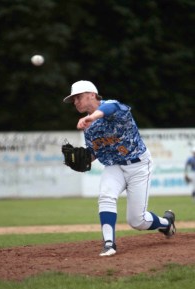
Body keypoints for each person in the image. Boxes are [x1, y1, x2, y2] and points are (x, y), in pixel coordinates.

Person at [63, 80, 176, 256]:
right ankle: (109, 244)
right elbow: (95, 152)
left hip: (138, 165)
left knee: (136, 221)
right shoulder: (88, 128)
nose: (75, 102)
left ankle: (166, 223)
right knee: (106, 196)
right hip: (114, 166)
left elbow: (112, 107)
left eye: (78, 97)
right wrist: (83, 159)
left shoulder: (113, 107)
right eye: (73, 100)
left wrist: (91, 117)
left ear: (92, 94)